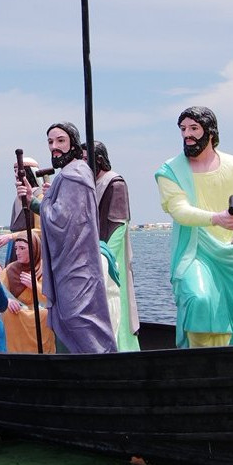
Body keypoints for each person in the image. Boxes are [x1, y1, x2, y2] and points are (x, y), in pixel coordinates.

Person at [154, 106, 233, 348]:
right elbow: (179, 210)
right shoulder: (170, 171)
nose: (187, 135)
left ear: (210, 132)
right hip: (194, 251)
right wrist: (217, 218)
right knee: (200, 300)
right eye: (183, 129)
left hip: (232, 254)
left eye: (193, 128)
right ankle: (196, 366)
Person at [18, 122, 117, 354]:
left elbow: (61, 219)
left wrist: (35, 201)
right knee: (67, 317)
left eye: (60, 141)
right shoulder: (68, 175)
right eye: (50, 142)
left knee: (77, 316)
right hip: (67, 259)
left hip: (77, 261)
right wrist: (36, 196)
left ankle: (100, 363)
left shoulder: (75, 174)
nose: (54, 147)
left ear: (73, 143)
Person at [93, 141, 140, 352]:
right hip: (95, 252)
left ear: (99, 160)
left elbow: (119, 225)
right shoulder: (92, 184)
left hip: (110, 256)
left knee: (116, 304)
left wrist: (106, 254)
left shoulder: (115, 183)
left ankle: (122, 348)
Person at [0, 233, 57, 353]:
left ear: (33, 249)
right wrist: (8, 301)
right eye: (16, 248)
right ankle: (14, 353)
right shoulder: (10, 270)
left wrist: (35, 286)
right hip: (18, 312)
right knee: (8, 313)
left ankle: (44, 353)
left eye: (22, 248)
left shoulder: (46, 268)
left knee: (47, 315)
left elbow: (53, 298)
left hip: (40, 312)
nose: (17, 252)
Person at [0, 155, 43, 250]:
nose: (16, 175)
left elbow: (40, 230)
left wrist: (11, 236)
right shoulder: (17, 199)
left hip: (32, 249)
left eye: (19, 171)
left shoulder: (39, 196)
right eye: (14, 171)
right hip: (16, 247)